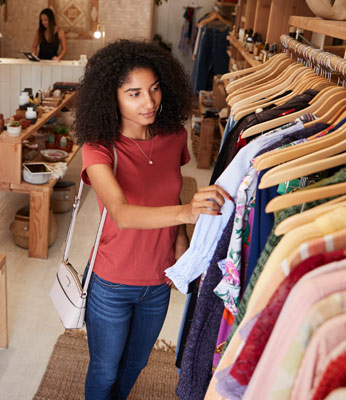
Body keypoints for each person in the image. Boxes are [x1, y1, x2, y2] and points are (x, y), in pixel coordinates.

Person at [74, 40, 232, 400]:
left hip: (159, 279)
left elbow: (169, 192)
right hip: (111, 281)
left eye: (155, 88)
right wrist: (187, 213)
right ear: (110, 97)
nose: (149, 102)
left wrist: (180, 241)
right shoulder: (99, 148)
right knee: (104, 367)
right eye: (134, 94)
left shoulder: (173, 136)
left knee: (136, 364)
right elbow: (122, 213)